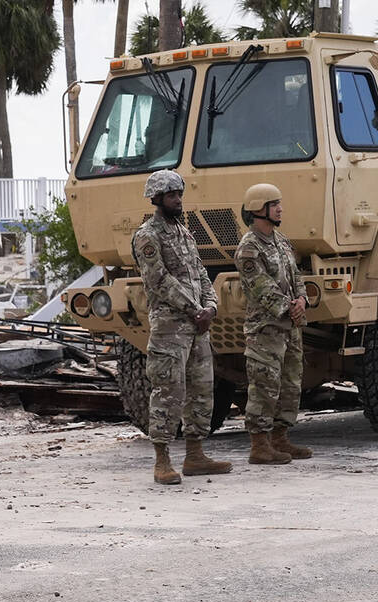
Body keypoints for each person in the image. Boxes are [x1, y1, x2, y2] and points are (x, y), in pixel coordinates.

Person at [132, 170, 233, 485]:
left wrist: (211, 306)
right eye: (172, 195)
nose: (178, 199)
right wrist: (194, 309)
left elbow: (201, 274)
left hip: (197, 325)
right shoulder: (148, 235)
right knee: (168, 390)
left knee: (202, 388)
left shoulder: (185, 234)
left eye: (179, 193)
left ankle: (195, 455)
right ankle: (162, 459)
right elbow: (158, 280)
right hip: (170, 326)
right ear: (157, 199)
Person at [234, 183, 312, 465]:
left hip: (290, 327)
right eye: (274, 204)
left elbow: (296, 275)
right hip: (265, 329)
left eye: (279, 203)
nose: (280, 208)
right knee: (264, 386)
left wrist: (302, 299)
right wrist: (288, 308)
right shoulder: (249, 247)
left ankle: (280, 438)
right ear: (259, 209)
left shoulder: (281, 241)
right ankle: (259, 446)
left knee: (290, 384)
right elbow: (259, 287)